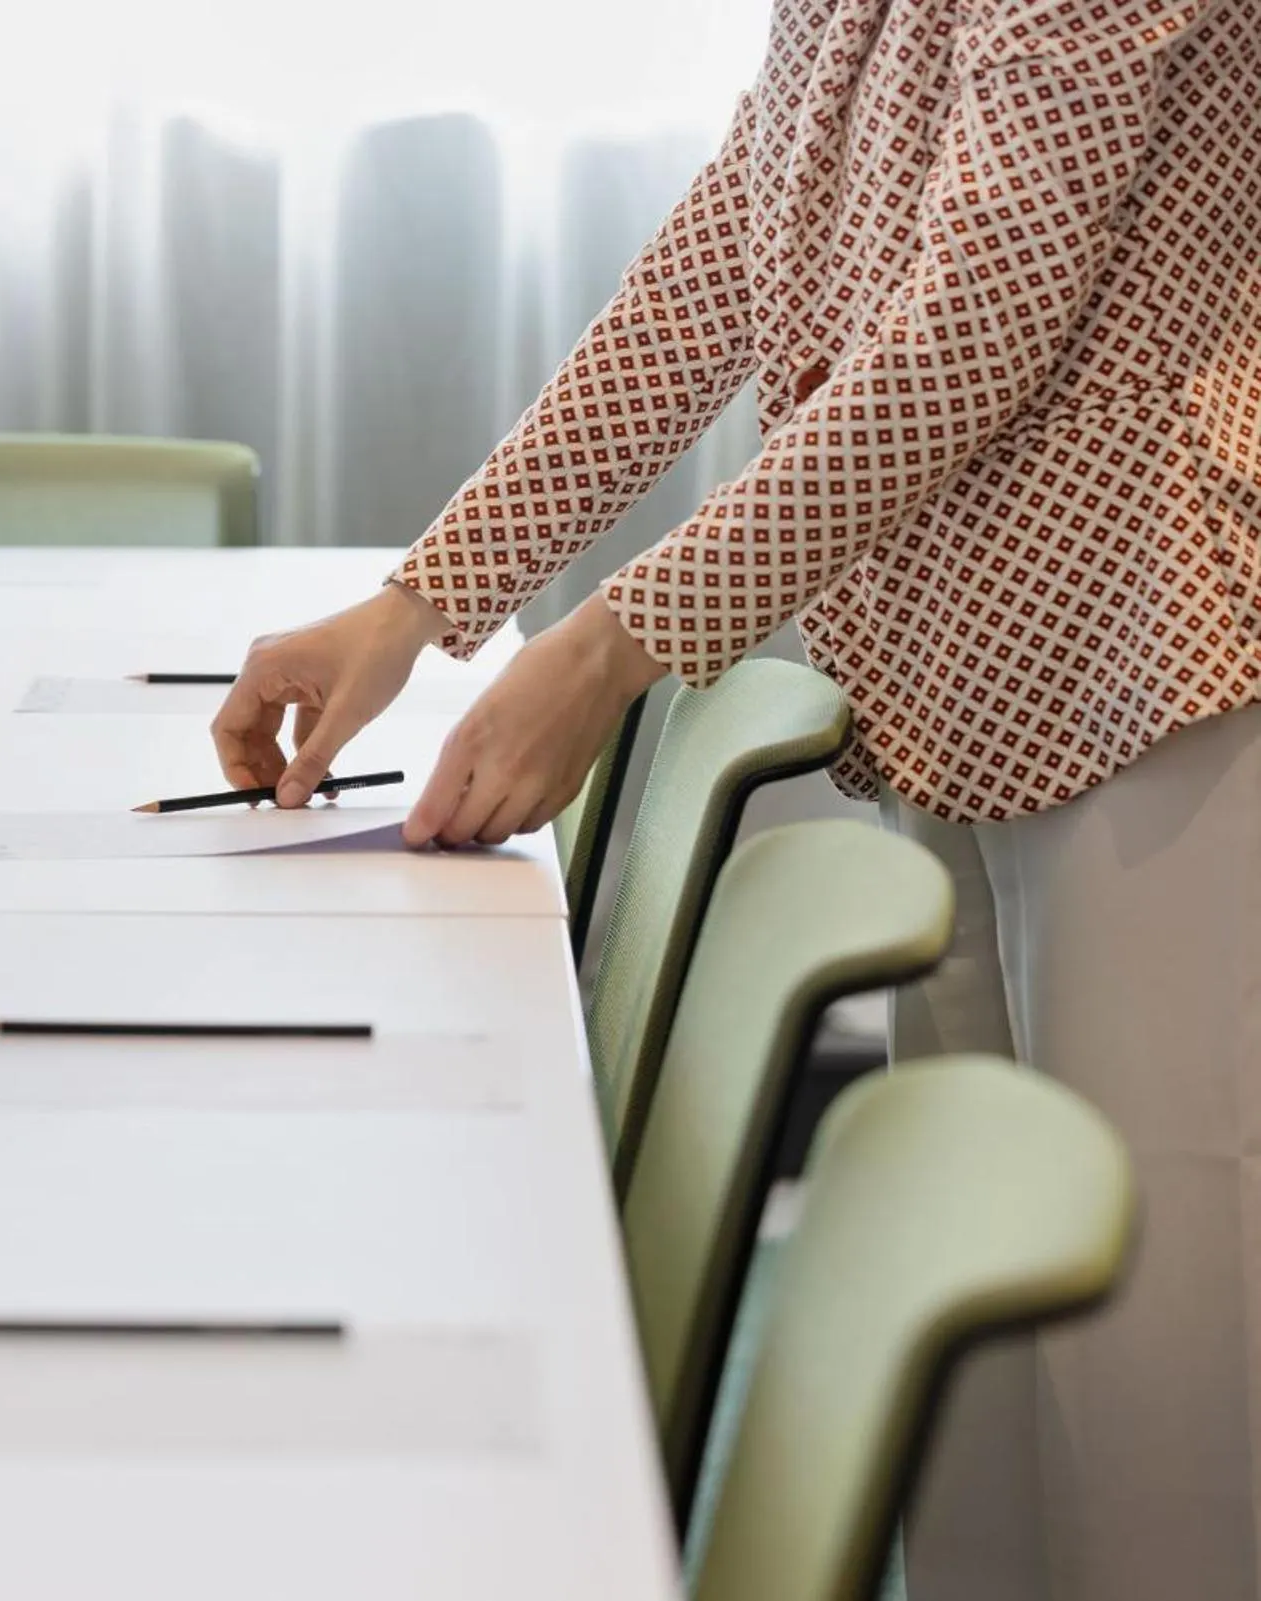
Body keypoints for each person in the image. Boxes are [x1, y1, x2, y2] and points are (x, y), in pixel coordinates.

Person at [212, 1, 1261, 1596]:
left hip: (1158, 621)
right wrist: (426, 597)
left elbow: (974, 323)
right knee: (977, 1348)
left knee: (1146, 1351)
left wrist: (611, 645)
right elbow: (741, 241)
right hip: (949, 637)